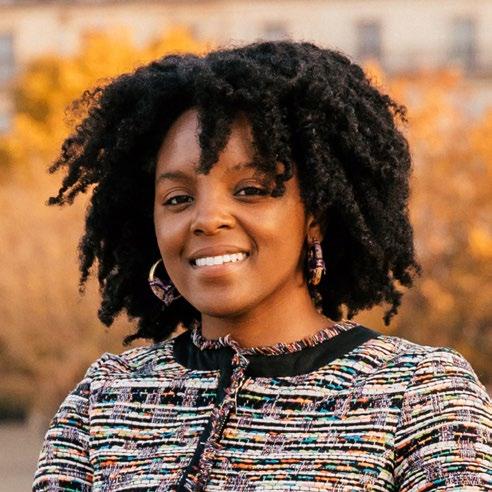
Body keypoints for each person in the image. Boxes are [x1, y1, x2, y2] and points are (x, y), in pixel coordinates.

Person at [33, 41, 491, 491]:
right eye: (178, 198)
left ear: (315, 215)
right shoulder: (101, 400)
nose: (207, 218)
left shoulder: (421, 393)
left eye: (250, 190)